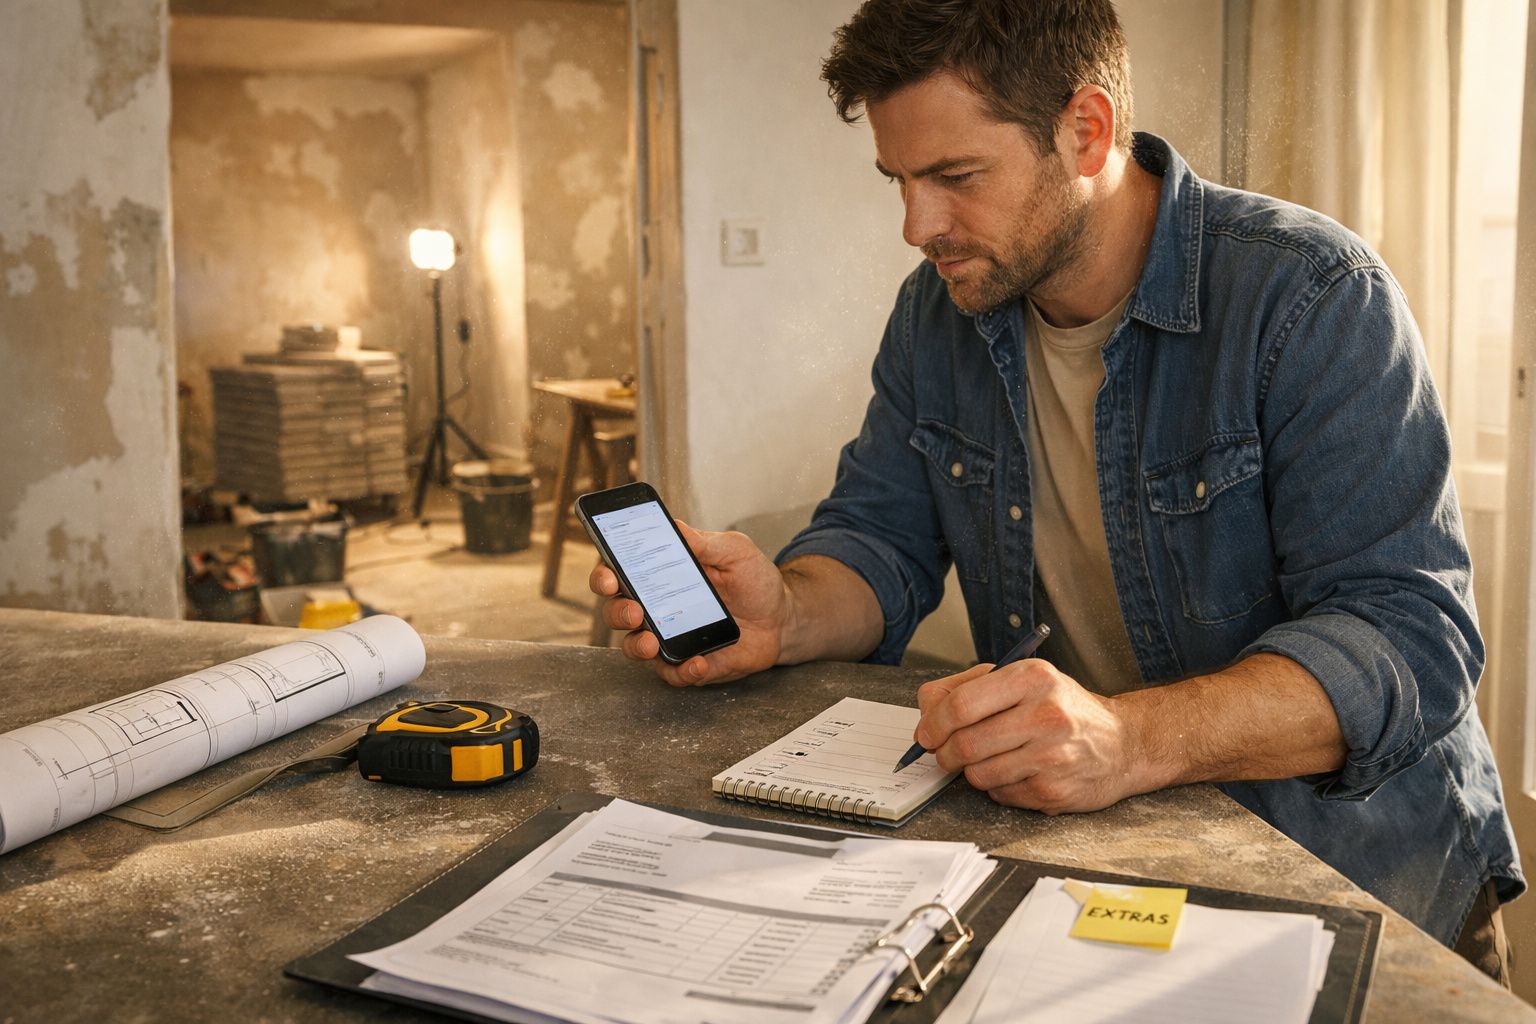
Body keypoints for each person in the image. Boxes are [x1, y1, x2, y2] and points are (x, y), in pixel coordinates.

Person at [590, 0, 1522, 981]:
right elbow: (878, 539)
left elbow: (1410, 639)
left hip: (1371, 883)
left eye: (955, 177)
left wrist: (1127, 736)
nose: (916, 225)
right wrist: (786, 609)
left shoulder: (1312, 296)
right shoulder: (939, 314)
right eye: (898, 181)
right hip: (1126, 877)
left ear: (1086, 132)